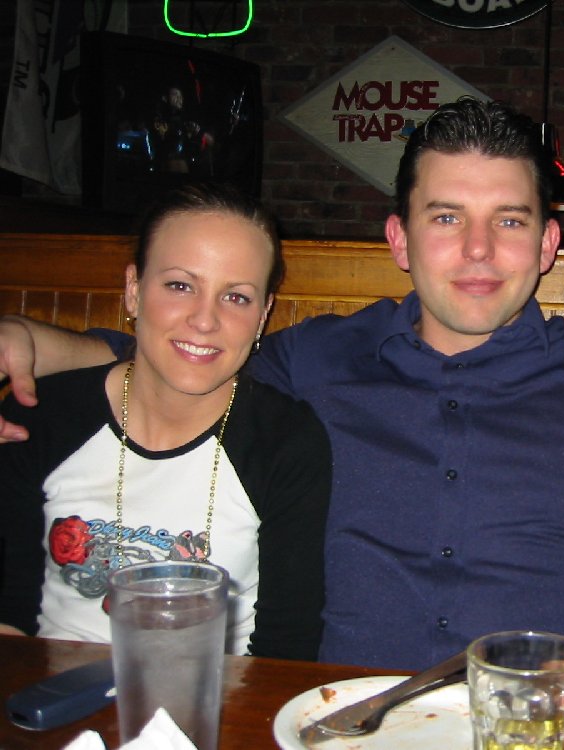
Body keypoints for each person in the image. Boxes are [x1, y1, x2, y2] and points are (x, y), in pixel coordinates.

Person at [0, 98, 564, 671]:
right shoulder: (317, 358)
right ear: (399, 241)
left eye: (509, 221)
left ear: (548, 245)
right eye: (446, 218)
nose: (478, 252)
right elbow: (175, 353)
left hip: (541, 726)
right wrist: (26, 340)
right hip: (340, 720)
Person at [0, 183, 331, 661]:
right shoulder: (43, 414)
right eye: (180, 286)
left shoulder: (285, 441)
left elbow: (285, 647)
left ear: (263, 316)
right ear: (134, 290)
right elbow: (8, 610)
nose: (205, 319)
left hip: (216, 698)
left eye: (236, 297)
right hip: (47, 693)